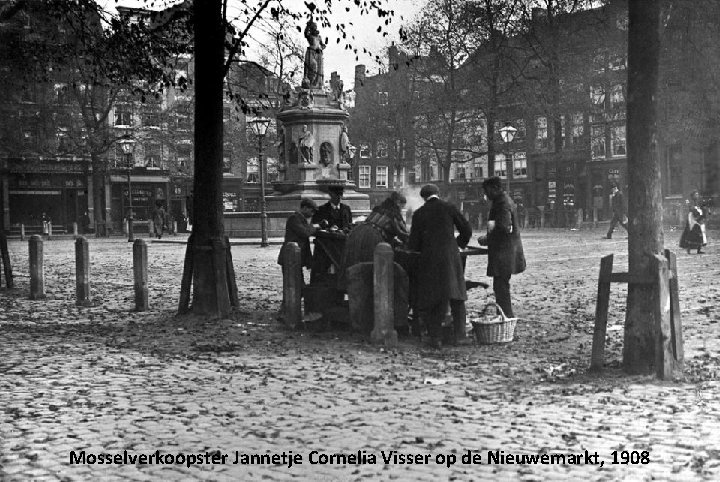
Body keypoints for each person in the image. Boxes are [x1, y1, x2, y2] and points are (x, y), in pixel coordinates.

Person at [408, 184, 472, 348]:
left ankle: (435, 337)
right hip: (450, 258)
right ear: (438, 194)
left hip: (429, 261)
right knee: (456, 295)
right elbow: (466, 229)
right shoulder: (449, 207)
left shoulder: (419, 214)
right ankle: (460, 336)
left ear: (424, 197)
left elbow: (413, 244)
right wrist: (457, 245)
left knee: (433, 298)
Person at [478, 176, 526, 319]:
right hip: (507, 251)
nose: (486, 195)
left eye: (487, 191)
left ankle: (506, 317)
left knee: (501, 286)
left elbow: (504, 227)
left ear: (495, 188)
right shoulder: (503, 200)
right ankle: (505, 315)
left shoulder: (502, 203)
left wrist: (488, 238)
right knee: (501, 286)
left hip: (503, 253)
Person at [341, 192, 408, 288]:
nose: (402, 209)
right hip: (372, 238)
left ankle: (354, 290)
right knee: (371, 267)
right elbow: (403, 234)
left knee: (356, 265)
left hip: (357, 233)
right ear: (398, 203)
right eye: (402, 206)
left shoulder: (378, 209)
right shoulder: (394, 214)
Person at [278, 197, 319, 270]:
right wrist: (316, 227)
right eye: (312, 211)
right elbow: (305, 233)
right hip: (290, 257)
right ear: (305, 208)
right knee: (292, 280)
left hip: (296, 257)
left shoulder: (302, 219)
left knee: (297, 280)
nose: (312, 214)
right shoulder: (294, 218)